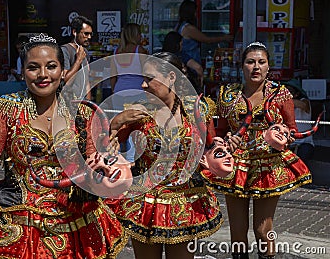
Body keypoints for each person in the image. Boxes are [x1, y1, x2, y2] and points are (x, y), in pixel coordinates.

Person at [0, 33, 128, 258]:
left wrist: (107, 165)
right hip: (16, 223)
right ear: (23, 71)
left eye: (51, 66)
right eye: (33, 67)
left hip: (73, 221)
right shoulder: (6, 110)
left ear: (63, 71)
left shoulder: (83, 114)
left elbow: (93, 162)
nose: (43, 74)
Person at [106, 52, 223, 259]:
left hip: (185, 202)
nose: (143, 85)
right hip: (145, 202)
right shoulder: (138, 111)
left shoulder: (198, 110)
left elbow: (211, 149)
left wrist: (218, 156)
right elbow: (100, 144)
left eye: (149, 79)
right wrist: (116, 122)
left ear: (171, 77)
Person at [201, 42, 312, 259]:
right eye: (250, 62)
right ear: (242, 66)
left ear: (269, 67)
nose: (256, 67)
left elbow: (292, 130)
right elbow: (221, 132)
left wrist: (281, 138)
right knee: (237, 232)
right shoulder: (228, 95)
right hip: (235, 167)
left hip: (268, 167)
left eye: (261, 62)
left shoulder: (281, 94)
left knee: (263, 230)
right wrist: (225, 141)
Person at [110, 23, 149, 163]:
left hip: (119, 92)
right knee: (135, 127)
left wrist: (115, 91)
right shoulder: (140, 50)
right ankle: (132, 160)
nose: (141, 36)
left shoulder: (116, 51)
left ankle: (118, 158)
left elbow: (113, 76)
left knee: (120, 127)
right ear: (135, 35)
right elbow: (147, 74)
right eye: (139, 33)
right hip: (138, 92)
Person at [175, 0, 233, 90]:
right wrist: (224, 38)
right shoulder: (188, 28)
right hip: (190, 63)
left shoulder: (180, 25)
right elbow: (207, 40)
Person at [61, 15, 93, 100]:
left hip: (83, 102)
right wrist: (78, 60)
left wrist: (88, 104)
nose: (89, 37)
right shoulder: (65, 50)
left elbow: (86, 81)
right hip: (68, 101)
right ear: (75, 32)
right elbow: (66, 80)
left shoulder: (85, 52)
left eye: (90, 34)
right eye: (86, 34)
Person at [284, 79, 315, 161]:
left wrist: (285, 100)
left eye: (290, 91)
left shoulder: (304, 101)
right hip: (288, 142)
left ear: (297, 93)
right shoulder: (284, 104)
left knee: (300, 162)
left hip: (305, 143)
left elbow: (304, 106)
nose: (287, 93)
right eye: (286, 90)